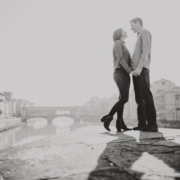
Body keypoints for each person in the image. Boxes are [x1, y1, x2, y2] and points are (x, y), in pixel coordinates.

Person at [101, 28, 132, 132]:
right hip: (120, 72)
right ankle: (108, 118)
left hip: (124, 73)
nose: (126, 31)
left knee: (122, 99)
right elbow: (120, 58)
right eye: (124, 30)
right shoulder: (117, 43)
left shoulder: (123, 43)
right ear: (119, 34)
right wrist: (129, 70)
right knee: (124, 99)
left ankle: (120, 124)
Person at [130, 17, 158, 132]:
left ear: (138, 23)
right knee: (138, 99)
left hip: (141, 70)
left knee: (146, 96)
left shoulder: (145, 32)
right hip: (136, 71)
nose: (131, 28)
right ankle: (142, 123)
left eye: (132, 25)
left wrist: (139, 68)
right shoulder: (138, 36)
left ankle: (152, 124)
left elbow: (146, 50)